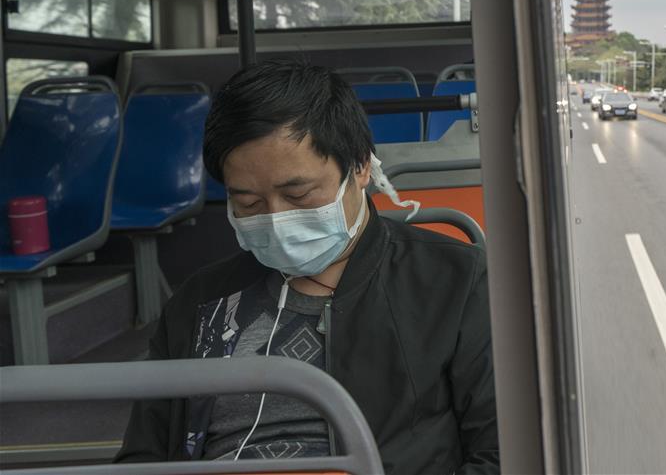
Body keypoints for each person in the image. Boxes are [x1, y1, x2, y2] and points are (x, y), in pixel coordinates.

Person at [116, 61, 499, 474]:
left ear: (360, 166)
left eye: (298, 195)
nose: (276, 219)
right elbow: (145, 456)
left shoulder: (454, 282)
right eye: (248, 203)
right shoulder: (200, 301)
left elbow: (502, 453)